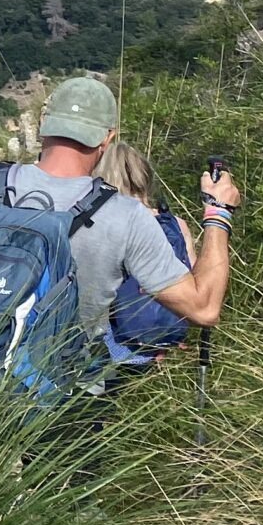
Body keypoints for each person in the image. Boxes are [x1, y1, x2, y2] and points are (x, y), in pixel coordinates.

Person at [0, 74, 239, 411]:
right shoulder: (125, 215)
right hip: (64, 398)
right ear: (107, 138)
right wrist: (218, 212)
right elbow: (203, 308)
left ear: (42, 125)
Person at [95, 138, 198, 379]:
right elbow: (192, 281)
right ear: (145, 177)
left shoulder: (105, 223)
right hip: (169, 344)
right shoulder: (176, 224)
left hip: (116, 349)